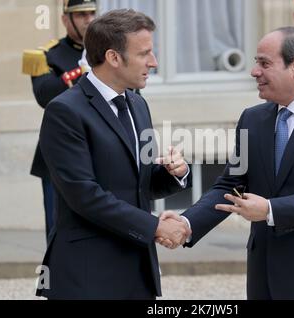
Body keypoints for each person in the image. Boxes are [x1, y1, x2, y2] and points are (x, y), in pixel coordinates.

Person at [159, 27, 294, 299]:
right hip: (266, 272)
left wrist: (271, 210)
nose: (254, 71)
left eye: (264, 63)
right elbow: (231, 185)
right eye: (255, 62)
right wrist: (187, 224)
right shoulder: (252, 119)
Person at [35, 9, 191, 300]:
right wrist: (155, 226)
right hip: (87, 273)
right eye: (144, 54)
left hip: (137, 268)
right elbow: (84, 195)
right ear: (113, 57)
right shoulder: (65, 111)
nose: (154, 63)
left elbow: (139, 182)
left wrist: (177, 173)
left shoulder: (137, 104)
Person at [22, 0, 97, 241]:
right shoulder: (47, 55)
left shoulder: (109, 52)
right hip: (59, 154)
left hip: (99, 149)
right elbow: (45, 95)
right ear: (66, 19)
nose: (89, 19)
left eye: (92, 13)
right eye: (81, 14)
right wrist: (82, 72)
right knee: (58, 231)